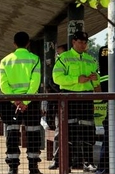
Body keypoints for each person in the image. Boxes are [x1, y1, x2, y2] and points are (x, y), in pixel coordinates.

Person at [52, 31, 100, 172]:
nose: (83, 45)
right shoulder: (63, 58)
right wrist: (76, 80)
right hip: (69, 97)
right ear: (73, 42)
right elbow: (57, 78)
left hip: (86, 97)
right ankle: (66, 163)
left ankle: (88, 163)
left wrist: (94, 81)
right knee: (68, 130)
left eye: (85, 42)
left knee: (88, 129)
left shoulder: (91, 59)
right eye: (80, 42)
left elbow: (96, 78)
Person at [0, 31, 42, 174]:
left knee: (12, 132)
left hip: (11, 103)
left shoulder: (5, 61)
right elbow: (35, 83)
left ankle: (13, 167)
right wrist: (26, 101)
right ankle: (33, 167)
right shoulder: (34, 59)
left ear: (14, 44)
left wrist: (15, 100)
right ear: (28, 43)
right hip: (31, 102)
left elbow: (3, 86)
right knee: (33, 132)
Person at [47, 44, 67, 170]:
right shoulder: (59, 63)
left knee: (63, 131)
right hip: (60, 102)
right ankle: (57, 160)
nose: (58, 54)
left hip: (67, 101)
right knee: (59, 131)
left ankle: (61, 160)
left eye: (59, 52)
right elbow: (51, 81)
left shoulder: (65, 60)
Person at [96, 45, 109, 174]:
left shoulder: (105, 49)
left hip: (110, 97)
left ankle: (103, 169)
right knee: (109, 139)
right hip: (111, 98)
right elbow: (105, 74)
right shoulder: (107, 49)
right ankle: (103, 169)